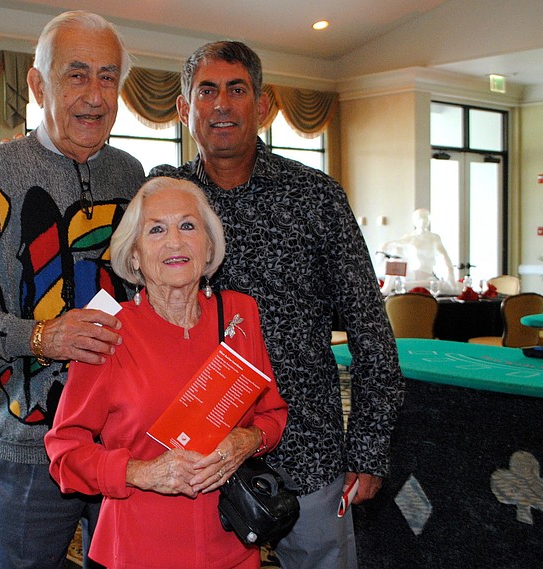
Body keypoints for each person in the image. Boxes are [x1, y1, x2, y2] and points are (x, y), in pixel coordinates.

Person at [150, 41, 404, 569]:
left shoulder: (315, 197)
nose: (221, 104)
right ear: (183, 108)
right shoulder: (164, 202)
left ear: (262, 106)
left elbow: (370, 330)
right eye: (207, 91)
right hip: (196, 456)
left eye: (236, 90)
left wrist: (369, 449)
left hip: (307, 449)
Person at [0, 11, 146, 569]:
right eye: (76, 75)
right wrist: (38, 336)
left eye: (108, 77)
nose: (95, 95)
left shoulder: (132, 175)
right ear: (38, 85)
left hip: (123, 442)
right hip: (27, 448)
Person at [44, 177, 288, 568]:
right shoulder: (108, 330)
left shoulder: (241, 315)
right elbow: (64, 452)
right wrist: (142, 472)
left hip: (233, 541)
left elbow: (273, 414)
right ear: (135, 255)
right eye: (156, 229)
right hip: (141, 546)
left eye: (188, 226)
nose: (175, 241)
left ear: (208, 246)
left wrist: (247, 441)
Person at [379, 208, 458, 295]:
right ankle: (388, 286)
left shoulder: (434, 238)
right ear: (415, 221)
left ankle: (409, 285)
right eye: (420, 218)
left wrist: (451, 274)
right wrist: (383, 246)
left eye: (426, 218)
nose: (424, 221)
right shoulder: (410, 237)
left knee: (440, 283)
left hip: (427, 276)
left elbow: (444, 256)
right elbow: (394, 244)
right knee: (396, 251)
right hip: (412, 275)